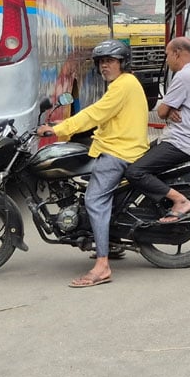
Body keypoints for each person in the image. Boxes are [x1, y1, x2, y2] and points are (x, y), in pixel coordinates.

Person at [36, 39, 149, 288]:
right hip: (115, 145)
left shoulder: (124, 85)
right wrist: (62, 129)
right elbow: (101, 116)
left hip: (119, 152)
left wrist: (58, 129)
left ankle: (102, 265)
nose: (104, 66)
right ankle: (112, 241)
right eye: (101, 62)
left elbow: (95, 113)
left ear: (123, 63)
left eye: (110, 61)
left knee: (95, 200)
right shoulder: (122, 84)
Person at [124, 37, 190, 223]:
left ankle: (179, 201)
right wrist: (171, 109)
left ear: (177, 53)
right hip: (187, 138)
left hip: (180, 142)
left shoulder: (184, 76)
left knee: (135, 172)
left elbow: (162, 111)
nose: (168, 60)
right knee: (135, 156)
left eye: (168, 55)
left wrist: (169, 109)